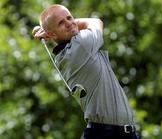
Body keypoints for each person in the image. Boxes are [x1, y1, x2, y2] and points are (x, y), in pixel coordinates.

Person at [32, 4, 140, 139]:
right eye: (61, 23)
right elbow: (96, 22)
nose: (69, 23)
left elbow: (74, 27)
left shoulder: (69, 52)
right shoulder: (81, 45)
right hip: (106, 133)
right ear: (51, 34)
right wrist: (70, 24)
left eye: (69, 17)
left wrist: (50, 29)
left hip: (116, 132)